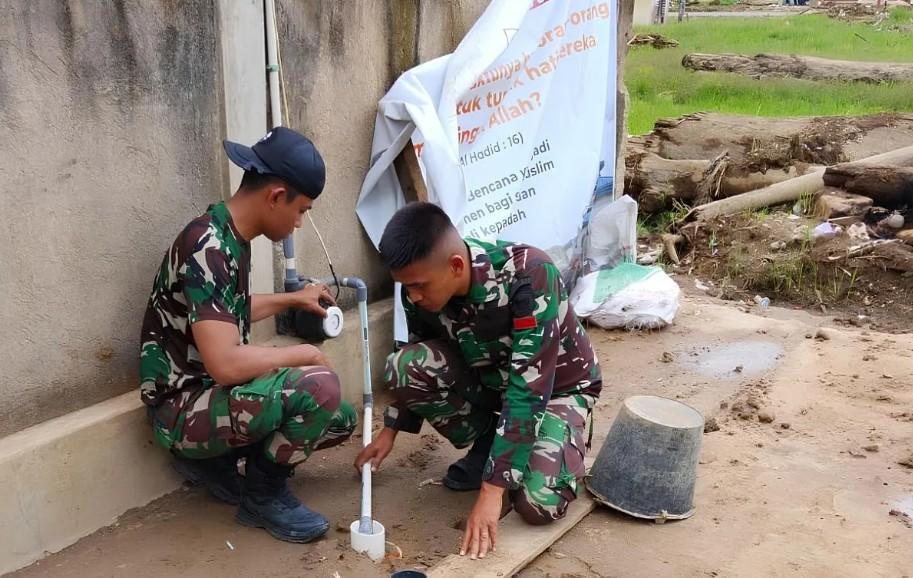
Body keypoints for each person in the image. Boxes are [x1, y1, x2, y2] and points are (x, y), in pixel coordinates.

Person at [139, 127, 356, 544]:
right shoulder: (207, 245)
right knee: (318, 390)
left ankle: (219, 463)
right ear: (276, 196)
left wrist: (294, 301)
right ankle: (262, 494)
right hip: (180, 412)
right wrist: (303, 353)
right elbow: (225, 364)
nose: (298, 222)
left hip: (208, 398)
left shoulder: (228, 235)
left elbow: (223, 310)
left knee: (338, 418)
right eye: (302, 210)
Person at [355, 202, 602, 560]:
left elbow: (528, 391)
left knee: (538, 505)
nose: (413, 297)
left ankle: (565, 437)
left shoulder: (529, 275)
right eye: (405, 288)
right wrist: (391, 430)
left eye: (418, 286)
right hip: (494, 384)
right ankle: (490, 443)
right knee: (404, 367)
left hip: (556, 392)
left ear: (456, 266)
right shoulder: (420, 289)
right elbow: (417, 346)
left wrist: (491, 489)